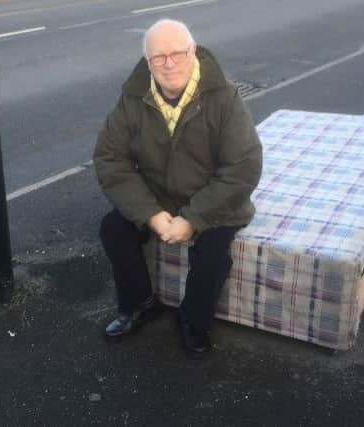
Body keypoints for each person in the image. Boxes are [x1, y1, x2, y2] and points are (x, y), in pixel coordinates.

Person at [93, 19, 262, 356]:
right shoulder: (133, 99)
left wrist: (194, 219)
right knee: (114, 228)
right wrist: (151, 214)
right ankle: (139, 302)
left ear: (193, 51)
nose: (169, 64)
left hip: (212, 198)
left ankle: (193, 320)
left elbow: (243, 166)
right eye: (158, 58)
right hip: (157, 194)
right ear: (147, 62)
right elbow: (110, 158)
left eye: (177, 54)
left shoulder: (223, 98)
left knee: (213, 252)